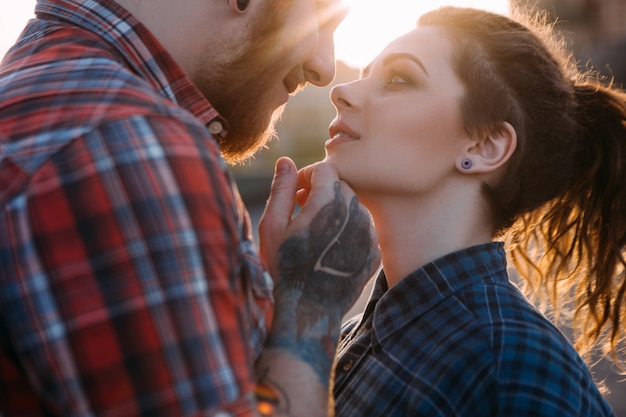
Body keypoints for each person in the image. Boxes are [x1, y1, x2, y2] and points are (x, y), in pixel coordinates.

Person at [0, 0, 381, 416]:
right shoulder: (128, 147)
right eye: (321, 19)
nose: (326, 69)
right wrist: (313, 303)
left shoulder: (39, 83)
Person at [293, 6, 626, 416]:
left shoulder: (515, 364)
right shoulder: (350, 334)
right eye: (365, 73)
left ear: (485, 146)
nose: (342, 91)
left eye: (399, 79)